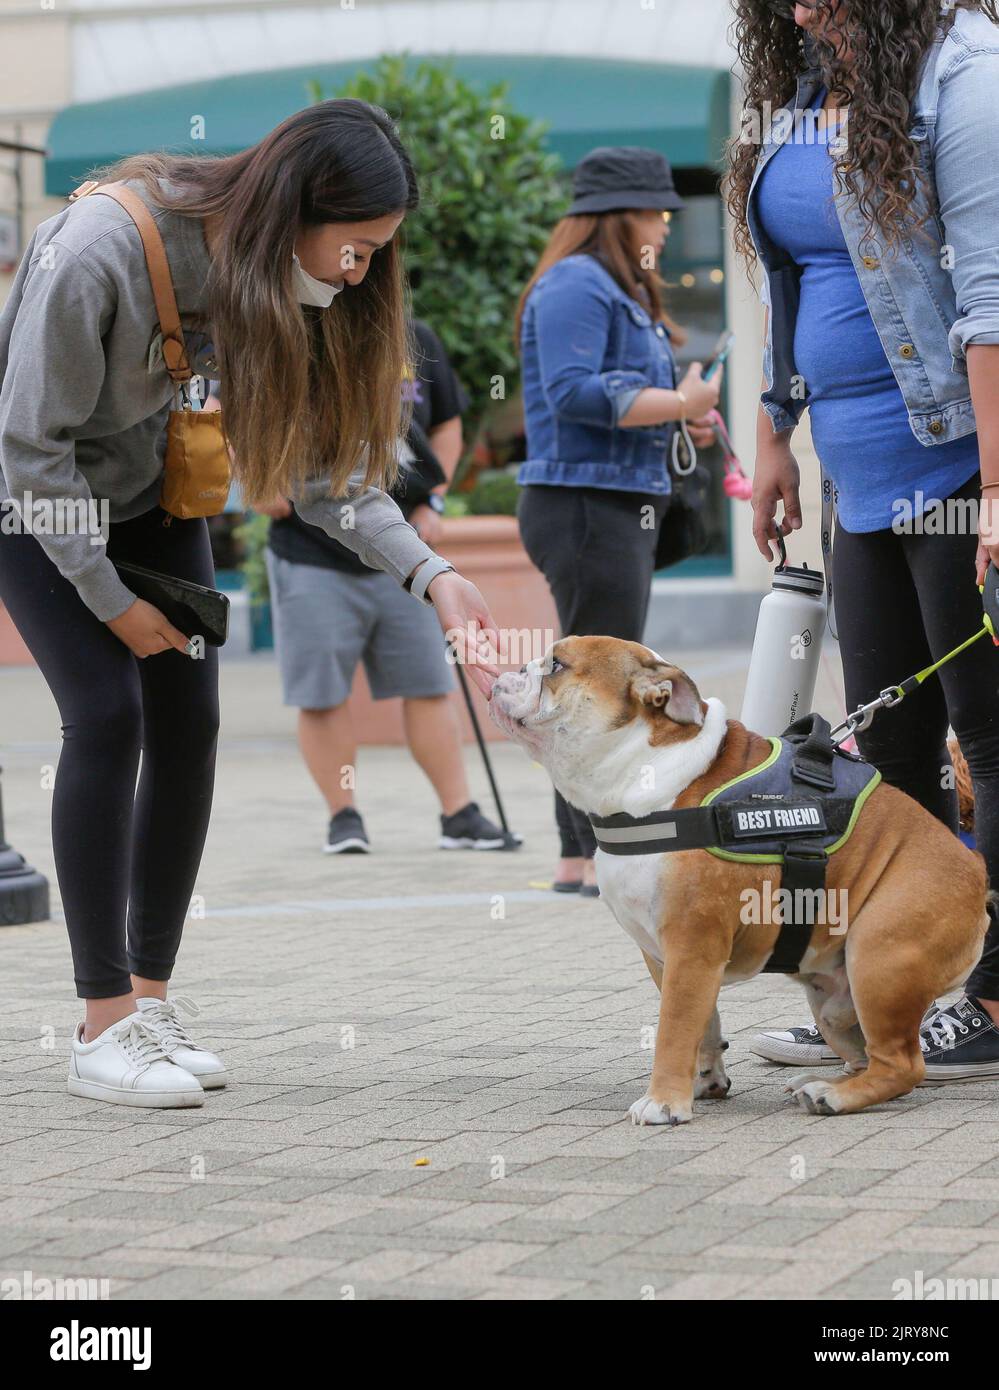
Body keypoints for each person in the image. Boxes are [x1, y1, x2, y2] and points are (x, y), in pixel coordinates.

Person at [0, 99, 498, 1109]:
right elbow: (30, 447)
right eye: (356, 249)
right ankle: (99, 1029)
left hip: (149, 495)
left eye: (375, 256)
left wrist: (432, 574)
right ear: (299, 207)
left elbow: (326, 475)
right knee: (107, 712)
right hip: (30, 493)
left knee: (191, 720)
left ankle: (148, 1004)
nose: (359, 273)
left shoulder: (276, 285)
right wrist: (105, 599)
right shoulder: (102, 248)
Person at [727, 1, 999, 1078]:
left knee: (990, 738)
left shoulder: (964, 73)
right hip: (858, 470)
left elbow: (988, 294)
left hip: (956, 459)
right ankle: (890, 993)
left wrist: (996, 482)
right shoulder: (811, 77)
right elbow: (790, 280)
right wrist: (774, 432)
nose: (799, 8)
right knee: (886, 754)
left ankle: (995, 992)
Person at [515, 146, 721, 896]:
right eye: (655, 212)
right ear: (618, 216)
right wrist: (681, 406)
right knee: (591, 685)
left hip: (606, 499)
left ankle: (583, 852)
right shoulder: (577, 282)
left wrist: (683, 420)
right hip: (583, 504)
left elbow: (617, 398)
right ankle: (582, 855)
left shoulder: (613, 285)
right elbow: (573, 393)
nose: (664, 227)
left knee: (594, 680)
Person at [261, 320, 519, 854]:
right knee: (322, 691)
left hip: (400, 553)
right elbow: (234, 415)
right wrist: (262, 480)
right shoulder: (295, 332)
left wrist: (434, 498)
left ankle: (459, 814)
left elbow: (446, 423)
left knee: (426, 682)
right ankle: (345, 817)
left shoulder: (418, 339)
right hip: (310, 550)